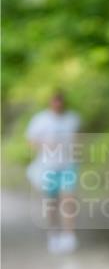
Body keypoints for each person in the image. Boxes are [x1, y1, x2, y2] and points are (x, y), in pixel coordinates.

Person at [26, 90, 81, 254]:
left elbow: (78, 138)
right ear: (50, 102)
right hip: (47, 167)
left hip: (68, 165)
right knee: (51, 203)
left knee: (68, 199)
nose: (57, 104)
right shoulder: (40, 120)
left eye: (60, 101)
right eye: (54, 101)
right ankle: (54, 234)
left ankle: (69, 235)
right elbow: (30, 141)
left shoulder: (72, 119)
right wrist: (45, 144)